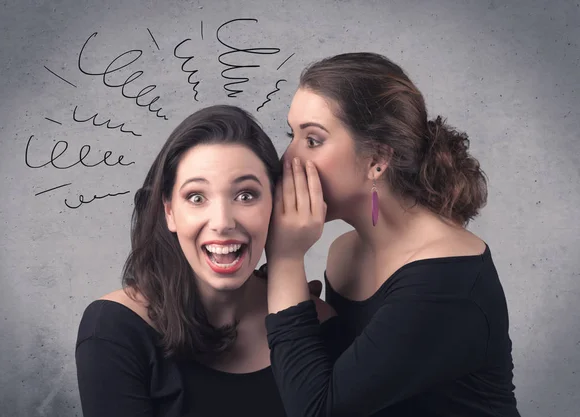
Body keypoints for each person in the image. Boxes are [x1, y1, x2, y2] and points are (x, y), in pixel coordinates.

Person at [263, 53, 521, 417]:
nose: (288, 159)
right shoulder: (345, 254)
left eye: (313, 140)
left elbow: (317, 411)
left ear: (377, 160)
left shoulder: (448, 280)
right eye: (293, 135)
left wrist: (285, 260)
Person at [75, 105, 330, 417]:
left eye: (246, 195)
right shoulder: (114, 329)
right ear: (169, 211)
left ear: (275, 205)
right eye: (197, 198)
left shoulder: (316, 322)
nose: (222, 222)